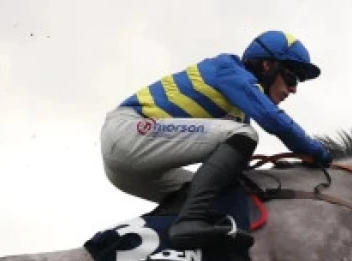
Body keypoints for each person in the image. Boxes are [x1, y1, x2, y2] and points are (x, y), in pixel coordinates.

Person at [100, 30, 332, 249]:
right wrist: (316, 151)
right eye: (292, 78)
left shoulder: (241, 112)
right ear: (267, 65)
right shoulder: (229, 69)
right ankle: (187, 223)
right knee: (244, 135)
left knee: (223, 197)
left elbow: (231, 167)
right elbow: (274, 120)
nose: (293, 90)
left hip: (130, 173)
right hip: (127, 131)